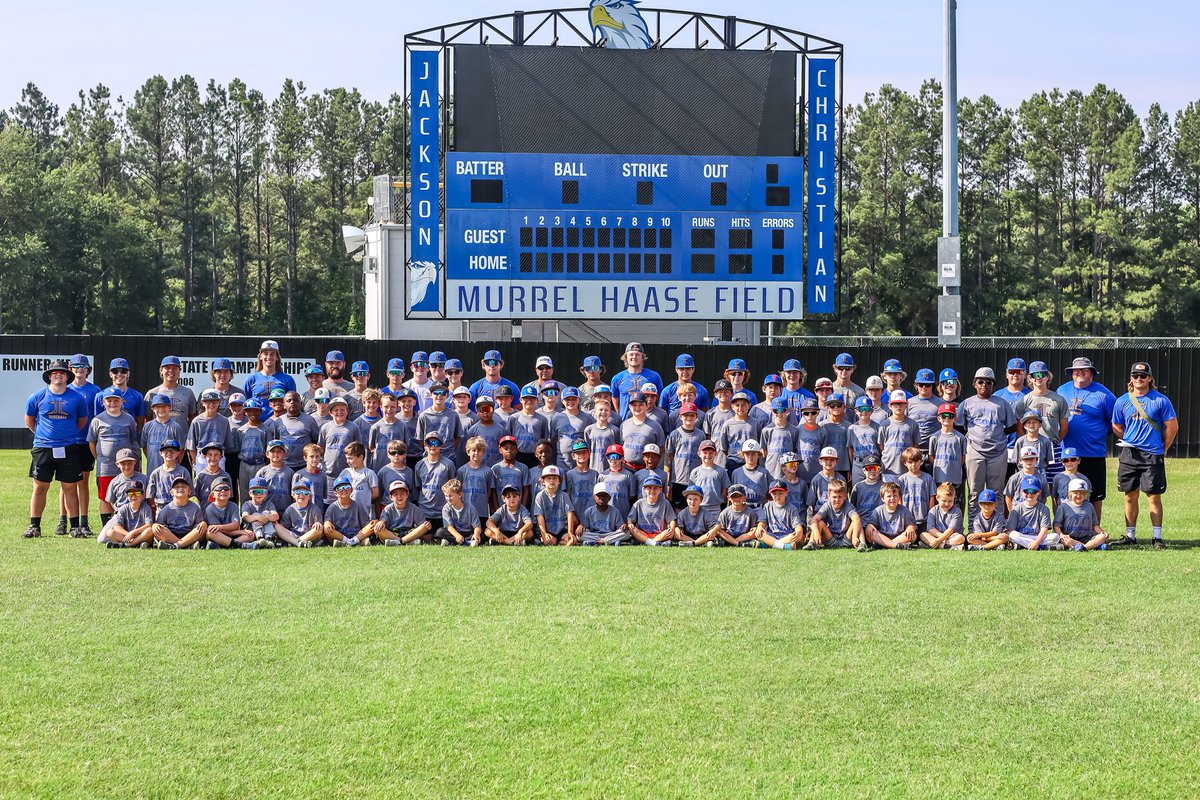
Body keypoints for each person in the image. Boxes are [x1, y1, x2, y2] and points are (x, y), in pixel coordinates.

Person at [1110, 361, 1177, 549]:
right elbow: (1116, 425)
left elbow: (1172, 426)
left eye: (1143, 376)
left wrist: (1163, 447)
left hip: (1152, 455)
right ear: (1130, 378)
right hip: (1129, 454)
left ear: (1149, 378)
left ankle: (1157, 537)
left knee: (1153, 496)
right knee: (1129, 495)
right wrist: (1130, 438)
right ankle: (1130, 535)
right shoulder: (1122, 400)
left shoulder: (1160, 400)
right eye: (1135, 376)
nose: (1139, 379)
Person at [23, 359, 91, 538]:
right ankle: (34, 526)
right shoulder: (37, 396)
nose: (58, 375)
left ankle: (75, 527)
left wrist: (67, 434)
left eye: (62, 372)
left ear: (67, 376)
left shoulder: (76, 397)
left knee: (70, 487)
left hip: (69, 447)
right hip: (43, 448)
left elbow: (82, 421)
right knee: (40, 487)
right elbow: (29, 419)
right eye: (54, 373)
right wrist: (42, 435)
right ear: (49, 376)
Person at [1056, 356, 1117, 520]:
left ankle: (1095, 529)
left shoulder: (1104, 394)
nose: (1080, 373)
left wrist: (1097, 434)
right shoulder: (1061, 391)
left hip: (1093, 452)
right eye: (1076, 370)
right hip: (1067, 453)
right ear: (1071, 373)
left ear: (1091, 373)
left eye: (1084, 370)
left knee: (1095, 494)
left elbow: (1115, 422)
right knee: (1065, 492)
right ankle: (1064, 528)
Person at [960, 366, 1017, 515]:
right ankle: (973, 528)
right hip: (975, 450)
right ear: (974, 384)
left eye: (988, 382)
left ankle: (996, 528)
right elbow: (959, 427)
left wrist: (996, 434)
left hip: (998, 452)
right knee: (974, 492)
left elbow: (1011, 427)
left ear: (993, 385)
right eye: (980, 382)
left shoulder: (1001, 403)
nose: (984, 385)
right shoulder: (967, 403)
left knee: (996, 492)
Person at [62, 354, 101, 537]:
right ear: (70, 368)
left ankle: (84, 522)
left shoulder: (95, 391)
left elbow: (98, 418)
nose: (80, 369)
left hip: (85, 441)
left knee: (83, 481)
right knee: (66, 482)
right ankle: (63, 520)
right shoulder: (63, 388)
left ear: (88, 369)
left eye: (83, 366)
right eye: (76, 366)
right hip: (68, 441)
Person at [1013, 361, 1069, 483]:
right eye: (1034, 375)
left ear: (1047, 376)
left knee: (1055, 483)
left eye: (1042, 374)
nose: (1038, 378)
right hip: (1031, 446)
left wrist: (1055, 441)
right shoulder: (1024, 401)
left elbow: (1064, 426)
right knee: (1031, 482)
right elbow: (1019, 427)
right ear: (1030, 378)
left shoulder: (1058, 399)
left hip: (1052, 444)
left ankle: (1057, 503)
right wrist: (1028, 441)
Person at [146, 355, 197, 436]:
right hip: (158, 440)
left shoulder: (188, 392)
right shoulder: (152, 393)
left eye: (174, 368)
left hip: (181, 442)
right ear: (161, 370)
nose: (171, 370)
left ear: (179, 371)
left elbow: (193, 417)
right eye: (167, 367)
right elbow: (147, 419)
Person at [151, 476, 207, 550]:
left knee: (202, 527)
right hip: (171, 535)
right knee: (157, 529)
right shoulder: (167, 509)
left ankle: (174, 546)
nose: (180, 488)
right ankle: (186, 545)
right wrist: (155, 525)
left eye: (183, 486)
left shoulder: (195, 508)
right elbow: (160, 525)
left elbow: (199, 526)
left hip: (189, 534)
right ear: (171, 492)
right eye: (177, 487)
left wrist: (203, 523)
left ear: (189, 491)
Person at [610, 342, 663, 419]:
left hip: (648, 421)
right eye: (631, 354)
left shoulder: (654, 376)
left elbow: (659, 397)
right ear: (626, 357)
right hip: (625, 422)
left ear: (642, 357)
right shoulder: (617, 378)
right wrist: (620, 414)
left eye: (637, 354)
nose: (634, 357)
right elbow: (615, 397)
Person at [240, 341, 296, 413]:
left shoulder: (287, 379)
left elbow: (292, 403)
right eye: (266, 354)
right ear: (260, 357)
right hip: (257, 422)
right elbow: (244, 404)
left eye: (272, 354)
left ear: (277, 357)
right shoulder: (251, 379)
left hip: (281, 422)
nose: (269, 357)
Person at [1055, 478, 1109, 551]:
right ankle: (1093, 546)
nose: (1078, 495)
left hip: (1087, 537)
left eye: (1082, 493)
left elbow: (1095, 525)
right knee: (1066, 541)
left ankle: (1083, 547)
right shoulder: (1063, 507)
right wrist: (1061, 535)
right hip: (1070, 537)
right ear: (1070, 493)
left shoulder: (1089, 506)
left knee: (1102, 537)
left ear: (1086, 494)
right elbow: (1056, 525)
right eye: (1075, 493)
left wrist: (1102, 533)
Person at [1005, 476, 1058, 550]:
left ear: (1039, 492)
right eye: (1026, 491)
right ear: (1021, 492)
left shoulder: (1044, 509)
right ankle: (1041, 547)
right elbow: (1010, 530)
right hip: (1022, 536)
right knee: (1012, 535)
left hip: (1038, 536)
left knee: (1055, 537)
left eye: (1033, 491)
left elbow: (1044, 529)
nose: (1030, 494)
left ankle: (1024, 545)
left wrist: (1036, 542)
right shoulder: (1017, 509)